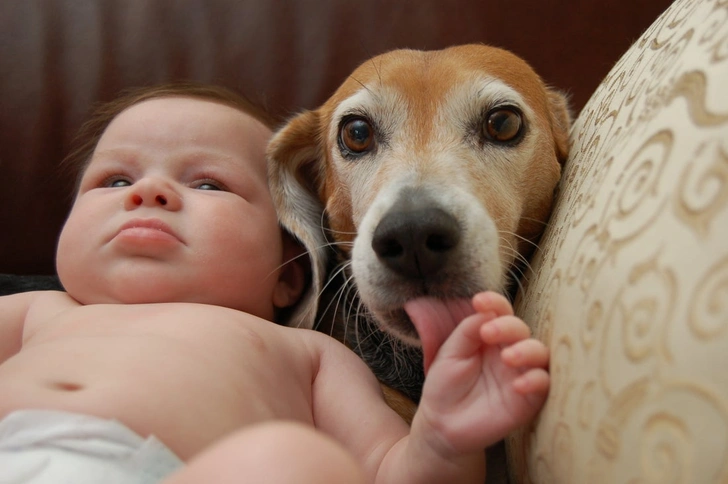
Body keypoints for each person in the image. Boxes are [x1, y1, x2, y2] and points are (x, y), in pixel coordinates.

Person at [0, 83, 550, 484]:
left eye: (209, 183)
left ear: (290, 271)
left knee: (296, 463)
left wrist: (443, 436)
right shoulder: (35, 310)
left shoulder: (309, 356)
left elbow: (390, 471)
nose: (150, 191)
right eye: (115, 179)